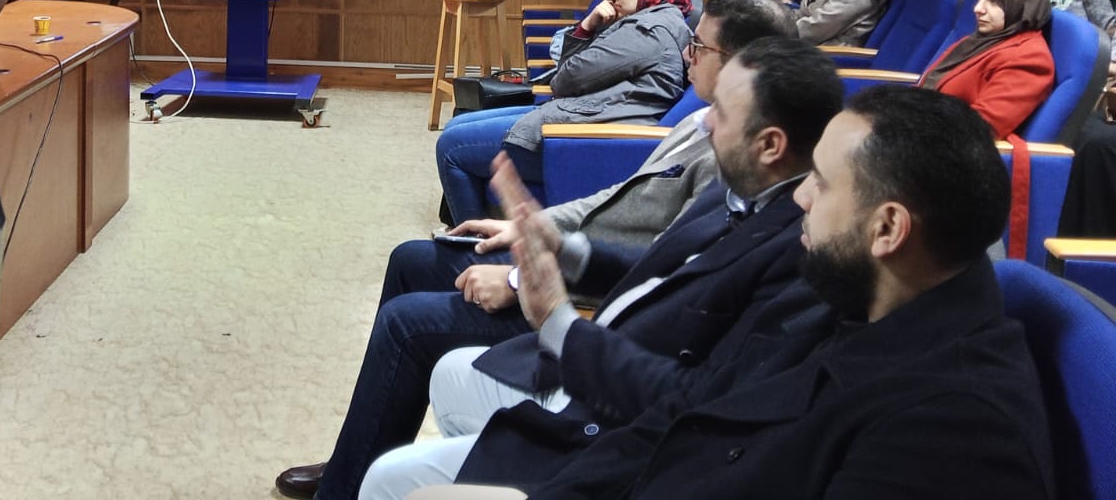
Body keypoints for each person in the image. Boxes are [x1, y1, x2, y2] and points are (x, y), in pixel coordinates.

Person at [271, 0, 799, 500]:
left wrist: (521, 278)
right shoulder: (702, 121)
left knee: (405, 325)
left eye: (700, 46)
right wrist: (531, 228)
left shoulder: (735, 161)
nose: (688, 53)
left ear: (744, 63)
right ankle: (354, 457)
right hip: (574, 259)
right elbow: (618, 197)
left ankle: (346, 483)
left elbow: (666, 282)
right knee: (410, 260)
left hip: (591, 304)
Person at [426, 88, 1054, 500]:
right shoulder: (859, 296)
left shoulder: (955, 428)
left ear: (888, 229)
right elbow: (694, 412)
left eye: (822, 184)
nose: (800, 196)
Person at [436, 0, 693, 222]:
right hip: (589, 116)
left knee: (451, 146)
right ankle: (475, 227)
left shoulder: (647, 32)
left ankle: (470, 240)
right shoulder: (657, 23)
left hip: (580, 140)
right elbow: (573, 75)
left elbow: (565, 79)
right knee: (457, 125)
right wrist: (589, 28)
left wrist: (587, 27)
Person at [918, 0, 1053, 137]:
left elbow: (979, 127)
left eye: (993, 1)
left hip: (950, 144)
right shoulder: (982, 40)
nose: (978, 8)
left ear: (1019, 6)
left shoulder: (1029, 58)